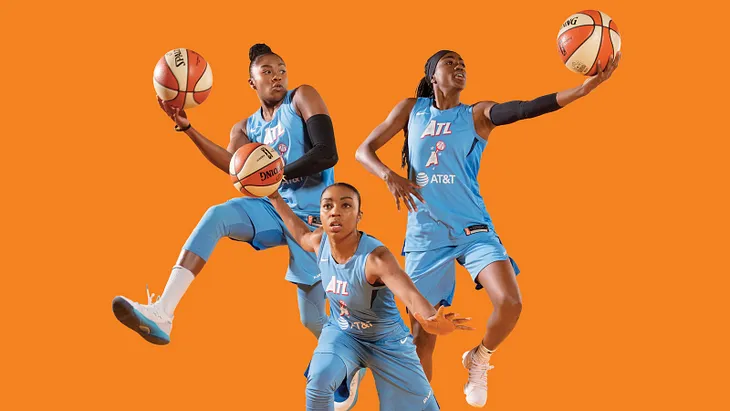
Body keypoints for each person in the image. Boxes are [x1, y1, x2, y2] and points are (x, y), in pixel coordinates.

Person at [355, 49, 621, 407]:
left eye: (463, 63)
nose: (460, 66)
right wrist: (390, 175)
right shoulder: (410, 109)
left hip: (471, 228)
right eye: (450, 62)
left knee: (510, 302)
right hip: (425, 234)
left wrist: (581, 90)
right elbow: (363, 150)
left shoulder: (477, 114)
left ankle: (479, 358)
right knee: (424, 336)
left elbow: (526, 108)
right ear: (433, 75)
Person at [112, 43, 364, 408]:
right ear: (251, 81)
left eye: (281, 69)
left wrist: (273, 176)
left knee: (311, 318)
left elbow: (328, 152)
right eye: (267, 71)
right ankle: (163, 312)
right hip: (274, 209)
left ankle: (347, 361)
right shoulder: (246, 127)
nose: (277, 76)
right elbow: (235, 167)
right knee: (216, 214)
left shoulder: (302, 97)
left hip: (315, 222)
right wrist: (189, 129)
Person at [269, 182, 472, 410]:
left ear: (358, 216)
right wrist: (275, 196)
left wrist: (432, 320)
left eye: (346, 205)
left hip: (387, 341)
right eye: (328, 206)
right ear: (322, 214)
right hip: (343, 333)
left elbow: (411, 295)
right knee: (318, 381)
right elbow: (302, 235)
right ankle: (348, 369)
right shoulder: (319, 241)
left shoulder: (376, 259)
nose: (335, 211)